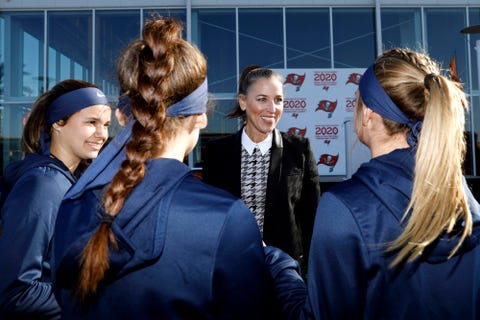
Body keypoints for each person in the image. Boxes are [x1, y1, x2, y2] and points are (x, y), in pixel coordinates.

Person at [53, 17, 283, 319]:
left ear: (122, 117)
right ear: (200, 117)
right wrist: (278, 264)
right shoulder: (225, 218)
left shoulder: (73, 204)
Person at [265, 48, 480, 319]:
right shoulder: (463, 197)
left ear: (368, 113)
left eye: (356, 100)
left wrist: (278, 264)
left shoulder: (344, 208)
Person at [0, 79, 111, 319]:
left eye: (106, 124)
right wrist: (101, 297)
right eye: (92, 122)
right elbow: (16, 293)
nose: (102, 134)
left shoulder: (69, 180)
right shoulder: (42, 185)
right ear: (58, 123)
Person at [202, 65, 321, 272]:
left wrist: (313, 271)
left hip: (284, 271)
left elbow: (312, 218)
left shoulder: (299, 150)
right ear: (242, 102)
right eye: (262, 99)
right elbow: (210, 218)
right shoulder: (216, 153)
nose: (272, 109)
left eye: (278, 100)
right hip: (230, 269)